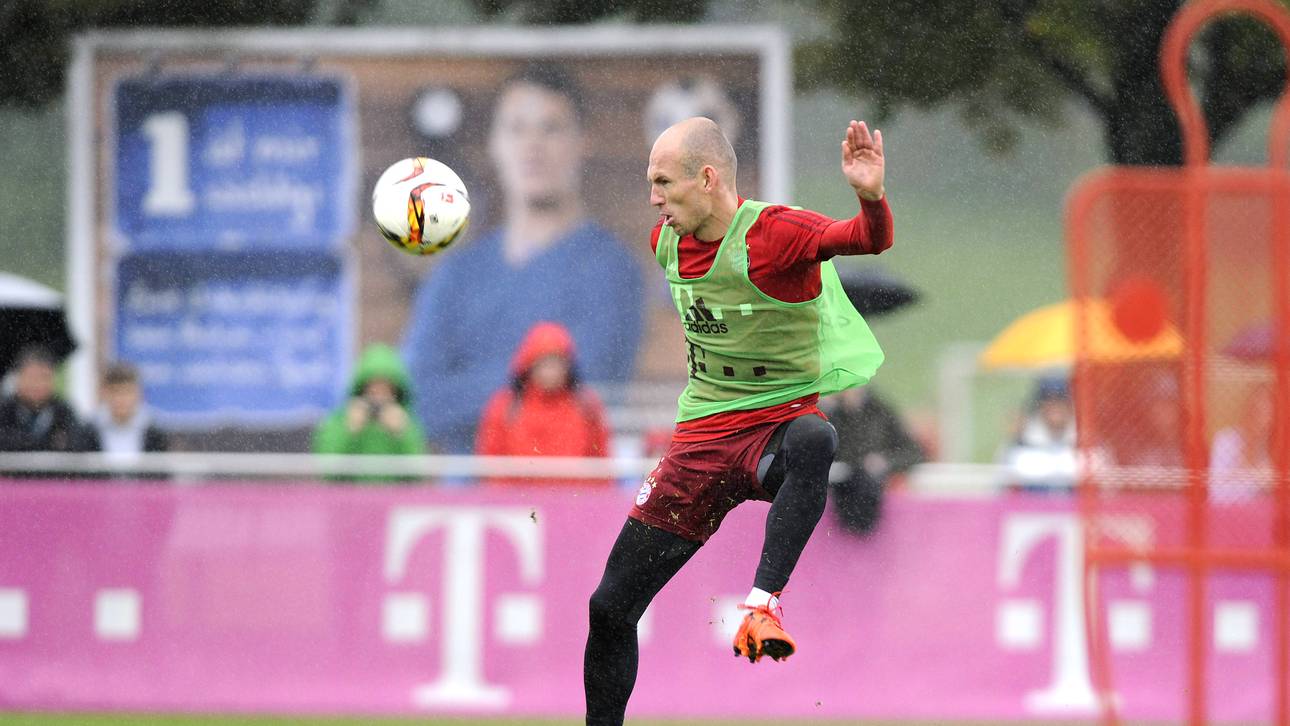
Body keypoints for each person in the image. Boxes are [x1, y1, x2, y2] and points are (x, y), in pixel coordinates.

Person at [584, 117, 891, 725]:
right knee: (609, 608)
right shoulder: (664, 242)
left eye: (663, 182)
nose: (654, 198)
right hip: (698, 445)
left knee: (815, 435)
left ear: (706, 177)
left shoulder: (778, 234)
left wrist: (870, 194)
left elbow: (868, 240)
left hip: (771, 435)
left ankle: (762, 606)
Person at [401, 64, 644, 453]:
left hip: (565, 486)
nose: (533, 145)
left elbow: (591, 384)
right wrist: (528, 378)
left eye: (550, 128)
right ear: (495, 143)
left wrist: (466, 389)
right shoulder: (457, 273)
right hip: (466, 490)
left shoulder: (612, 270)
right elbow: (415, 397)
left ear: (583, 142)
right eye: (516, 128)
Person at [474, 321, 611, 485]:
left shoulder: (586, 405)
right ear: (529, 366)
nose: (550, 372)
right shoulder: (505, 405)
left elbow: (600, 463)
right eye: (544, 364)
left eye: (557, 364)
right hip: (520, 501)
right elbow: (492, 461)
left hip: (573, 502)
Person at [312, 343, 426, 481]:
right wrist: (349, 432)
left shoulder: (406, 422)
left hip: (394, 499)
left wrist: (402, 435)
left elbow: (418, 475)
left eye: (386, 391)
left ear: (396, 393)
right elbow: (327, 470)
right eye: (373, 391)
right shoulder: (339, 420)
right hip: (347, 500)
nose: (378, 399)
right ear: (360, 390)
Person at [823, 386, 925, 534]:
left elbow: (912, 452)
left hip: (866, 493)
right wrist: (829, 411)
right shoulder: (825, 411)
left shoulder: (878, 410)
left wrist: (884, 462)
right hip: (836, 491)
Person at [0, 346, 99, 470]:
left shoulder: (64, 411)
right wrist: (48, 442)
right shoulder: (4, 410)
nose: (37, 384)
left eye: (44, 377)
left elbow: (77, 445)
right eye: (32, 377)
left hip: (55, 483)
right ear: (18, 378)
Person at [1000, 376, 1078, 492]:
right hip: (1030, 509)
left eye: (1061, 400)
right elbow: (1002, 491)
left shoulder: (1087, 443)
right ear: (1039, 405)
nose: (1055, 406)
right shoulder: (1020, 446)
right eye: (1048, 400)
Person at [1210, 382, 1276, 503]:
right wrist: (1247, 458)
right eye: (1255, 410)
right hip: (1229, 515)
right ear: (1247, 410)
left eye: (1266, 413)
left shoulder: (1276, 449)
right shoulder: (1225, 440)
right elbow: (1217, 494)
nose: (1259, 419)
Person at [92, 362, 168, 458]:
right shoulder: (90, 430)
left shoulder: (155, 431)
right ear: (104, 393)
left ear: (139, 394)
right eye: (116, 392)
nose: (121, 399)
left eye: (127, 392)